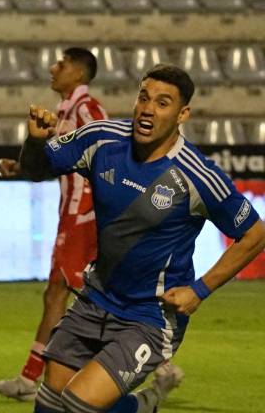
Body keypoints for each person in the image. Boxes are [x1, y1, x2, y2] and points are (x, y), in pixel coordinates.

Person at [20, 63, 265, 413]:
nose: (148, 109)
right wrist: (34, 142)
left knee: (77, 404)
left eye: (162, 103)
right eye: (144, 98)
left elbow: (255, 234)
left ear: (182, 114)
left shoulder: (197, 175)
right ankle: (144, 406)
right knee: (49, 401)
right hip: (95, 299)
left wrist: (199, 290)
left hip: (150, 316)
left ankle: (142, 404)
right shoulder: (103, 139)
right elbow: (35, 169)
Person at [0, 47, 109, 401]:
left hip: (85, 215)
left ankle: (149, 362)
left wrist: (99, 208)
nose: (53, 68)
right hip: (73, 213)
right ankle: (33, 378)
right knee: (63, 293)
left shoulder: (88, 109)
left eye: (62, 63)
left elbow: (109, 153)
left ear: (80, 73)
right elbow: (63, 162)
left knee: (67, 293)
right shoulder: (65, 111)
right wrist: (21, 167)